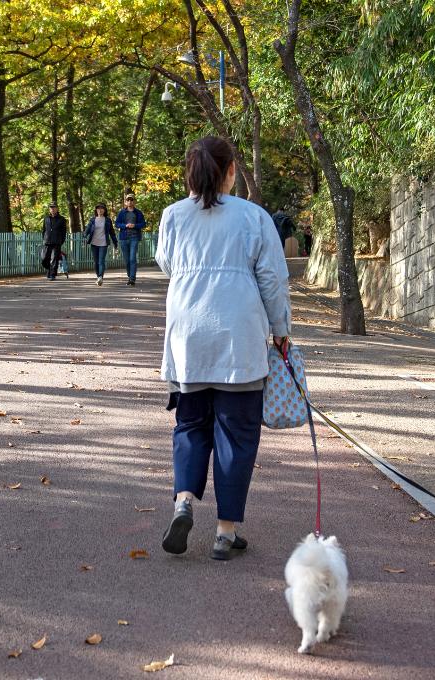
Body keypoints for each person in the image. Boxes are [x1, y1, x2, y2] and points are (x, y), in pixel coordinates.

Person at [155, 136, 291, 561]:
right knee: (236, 434)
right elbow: (272, 278)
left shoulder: (173, 216)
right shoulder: (253, 217)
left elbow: (166, 263)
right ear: (231, 170)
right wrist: (281, 329)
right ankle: (224, 532)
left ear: (190, 174)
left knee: (191, 425)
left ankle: (182, 503)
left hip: (188, 339)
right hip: (239, 339)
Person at [83, 202, 118, 285]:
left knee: (101, 261)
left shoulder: (107, 220)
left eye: (102, 208)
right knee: (96, 262)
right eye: (98, 208)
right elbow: (87, 230)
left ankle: (100, 277)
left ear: (104, 210)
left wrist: (115, 242)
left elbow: (112, 233)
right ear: (96, 210)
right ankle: (98, 276)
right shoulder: (93, 220)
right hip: (94, 243)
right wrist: (84, 237)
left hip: (103, 243)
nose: (100, 210)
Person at [115, 193, 146, 286]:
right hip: (124, 238)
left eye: (131, 200)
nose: (129, 201)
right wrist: (125, 225)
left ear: (134, 201)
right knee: (127, 259)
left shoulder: (138, 212)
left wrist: (135, 225)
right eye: (128, 200)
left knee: (132, 258)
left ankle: (132, 278)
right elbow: (117, 224)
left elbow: (143, 224)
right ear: (125, 202)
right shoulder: (122, 212)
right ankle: (130, 276)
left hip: (134, 238)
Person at [42, 202, 68, 280]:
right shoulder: (46, 218)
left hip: (57, 242)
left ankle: (53, 274)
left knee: (54, 259)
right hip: (47, 241)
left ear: (57, 209)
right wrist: (44, 239)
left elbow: (64, 232)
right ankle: (49, 270)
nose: (52, 209)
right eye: (51, 208)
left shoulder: (62, 219)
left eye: (54, 207)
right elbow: (44, 230)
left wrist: (61, 241)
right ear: (49, 209)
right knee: (44, 258)